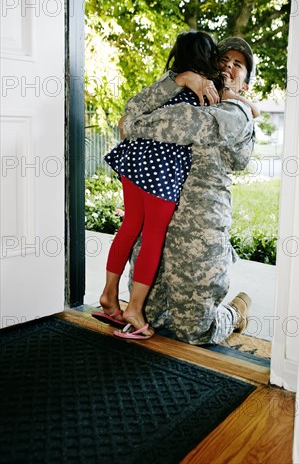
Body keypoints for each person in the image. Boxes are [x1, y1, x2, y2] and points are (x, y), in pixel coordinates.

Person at [118, 37, 259, 345]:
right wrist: (180, 78)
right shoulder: (184, 91)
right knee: (146, 316)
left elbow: (186, 124)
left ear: (244, 86)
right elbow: (131, 108)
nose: (229, 65)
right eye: (224, 59)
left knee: (195, 330)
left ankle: (236, 311)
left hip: (199, 232)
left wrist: (135, 126)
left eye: (239, 65)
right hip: (158, 223)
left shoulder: (238, 114)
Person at [92, 31, 226, 339]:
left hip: (135, 156)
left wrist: (180, 80)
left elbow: (133, 109)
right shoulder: (207, 87)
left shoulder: (169, 82)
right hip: (161, 165)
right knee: (153, 234)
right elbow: (187, 124)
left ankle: (109, 295)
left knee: (130, 225)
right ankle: (134, 310)